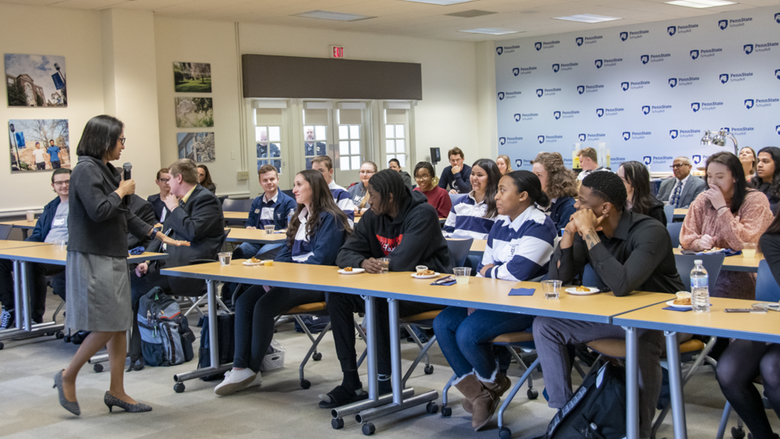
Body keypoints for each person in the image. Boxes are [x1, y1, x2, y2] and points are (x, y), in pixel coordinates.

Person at [533, 171, 685, 439]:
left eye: (582, 201)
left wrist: (589, 232)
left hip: (666, 321)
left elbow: (622, 284)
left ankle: (639, 431)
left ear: (605, 208)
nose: (576, 206)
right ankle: (565, 416)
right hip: (615, 317)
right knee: (545, 325)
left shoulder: (650, 231)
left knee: (640, 337)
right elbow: (557, 281)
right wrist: (569, 235)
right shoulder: (587, 230)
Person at [55, 115, 185, 416]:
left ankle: (117, 390)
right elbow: (100, 211)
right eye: (120, 140)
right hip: (93, 255)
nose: (123, 146)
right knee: (110, 323)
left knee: (119, 323)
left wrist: (156, 232)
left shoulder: (108, 170)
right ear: (104, 140)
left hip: (112, 254)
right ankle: (68, 374)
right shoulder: (85, 170)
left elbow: (122, 216)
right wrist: (121, 191)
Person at [433, 170, 556, 430]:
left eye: (502, 190)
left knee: (467, 332)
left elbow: (517, 273)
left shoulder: (540, 225)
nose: (496, 196)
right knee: (443, 322)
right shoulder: (500, 222)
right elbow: (485, 268)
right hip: (492, 298)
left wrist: (492, 272)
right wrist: (491, 274)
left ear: (523, 196)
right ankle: (484, 391)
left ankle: (485, 388)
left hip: (526, 304)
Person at [214, 170, 352, 396]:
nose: (294, 189)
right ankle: (241, 366)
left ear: (314, 188)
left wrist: (285, 277)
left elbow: (321, 260)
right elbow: (286, 252)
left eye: (299, 184)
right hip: (292, 278)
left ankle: (251, 368)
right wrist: (275, 275)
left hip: (315, 284)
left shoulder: (331, 218)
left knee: (263, 306)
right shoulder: (300, 216)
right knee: (244, 299)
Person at [321, 169, 451, 408]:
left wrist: (376, 262)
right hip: (386, 289)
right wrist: (361, 262)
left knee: (379, 299)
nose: (368, 200)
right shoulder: (373, 216)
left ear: (390, 196)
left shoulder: (423, 214)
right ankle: (351, 381)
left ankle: (383, 382)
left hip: (427, 292)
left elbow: (402, 262)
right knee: (338, 295)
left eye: (372, 195)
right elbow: (345, 253)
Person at [130, 158, 225, 369]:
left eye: (170, 178)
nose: (168, 183)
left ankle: (139, 352)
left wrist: (173, 209)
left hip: (191, 269)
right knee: (132, 281)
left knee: (135, 289)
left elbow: (192, 232)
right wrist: (146, 258)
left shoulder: (205, 200)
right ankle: (141, 349)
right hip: (169, 264)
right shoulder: (181, 201)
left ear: (179, 178)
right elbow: (164, 234)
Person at [715, 214, 780, 439]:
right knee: (728, 370)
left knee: (773, 367)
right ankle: (764, 436)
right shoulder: (773, 239)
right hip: (774, 323)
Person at [680, 152, 773, 299]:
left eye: (720, 177)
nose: (713, 182)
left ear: (735, 177)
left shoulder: (755, 200)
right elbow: (686, 237)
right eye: (709, 176)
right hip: (704, 270)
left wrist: (722, 209)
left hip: (742, 275)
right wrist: (699, 242)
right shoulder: (703, 199)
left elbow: (743, 243)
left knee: (716, 291)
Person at [0, 168, 71, 328]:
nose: (64, 185)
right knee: (2, 260)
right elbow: (38, 234)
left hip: (64, 256)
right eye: (59, 182)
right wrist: (23, 249)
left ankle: (34, 317)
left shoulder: (80, 206)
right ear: (53, 186)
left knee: (32, 265)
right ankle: (9, 307)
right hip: (43, 251)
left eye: (67, 181)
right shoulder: (51, 207)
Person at [232, 164, 297, 260]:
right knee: (239, 252)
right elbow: (250, 221)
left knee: (262, 255)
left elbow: (289, 228)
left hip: (276, 242)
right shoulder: (257, 202)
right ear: (260, 182)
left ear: (277, 179)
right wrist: (249, 227)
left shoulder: (289, 202)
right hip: (257, 240)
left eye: (272, 179)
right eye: (265, 180)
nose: (269, 182)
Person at [443, 158, 501, 240]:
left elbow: (498, 238)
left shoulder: (498, 205)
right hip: (457, 249)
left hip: (482, 250)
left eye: (480, 175)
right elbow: (447, 230)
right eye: (472, 174)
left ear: (491, 178)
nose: (474, 178)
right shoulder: (460, 202)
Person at [532, 152, 577, 230]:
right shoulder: (532, 200)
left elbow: (563, 239)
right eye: (533, 175)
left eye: (539, 175)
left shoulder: (568, 206)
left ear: (553, 178)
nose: (534, 179)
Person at [310, 155, 356, 225]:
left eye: (320, 171)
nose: (316, 175)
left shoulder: (342, 193)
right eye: (314, 171)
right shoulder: (311, 193)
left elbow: (348, 223)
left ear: (330, 172)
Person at [751, 146, 780, 213]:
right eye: (758, 161)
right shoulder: (751, 186)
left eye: (765, 161)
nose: (759, 165)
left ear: (777, 164)